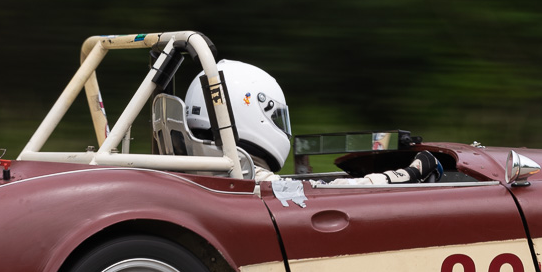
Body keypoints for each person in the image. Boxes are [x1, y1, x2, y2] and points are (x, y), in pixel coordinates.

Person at [180, 60, 441, 184]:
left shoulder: (194, 171)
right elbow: (324, 193)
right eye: (276, 116)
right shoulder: (244, 177)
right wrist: (409, 172)